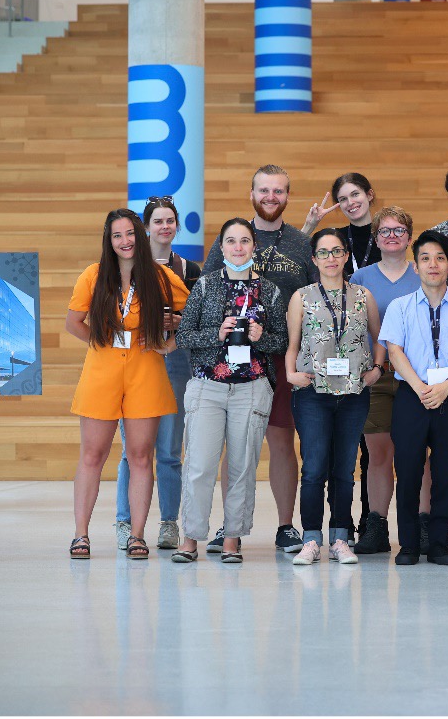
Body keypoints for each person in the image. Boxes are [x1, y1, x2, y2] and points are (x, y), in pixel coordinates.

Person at [203, 164, 314, 554]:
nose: (271, 197)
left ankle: (286, 526)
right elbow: (208, 297)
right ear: (252, 194)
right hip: (231, 363)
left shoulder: (301, 244)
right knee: (234, 448)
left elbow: (315, 302)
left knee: (283, 443)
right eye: (264, 190)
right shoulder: (228, 240)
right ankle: (228, 526)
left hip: (281, 361)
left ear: (288, 195)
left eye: (279, 191)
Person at [65, 209, 188, 560]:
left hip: (145, 370)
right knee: (92, 455)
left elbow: (195, 316)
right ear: (109, 240)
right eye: (117, 235)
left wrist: (172, 337)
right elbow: (73, 323)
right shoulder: (93, 275)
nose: (125, 241)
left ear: (141, 234)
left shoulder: (161, 277)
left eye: (130, 233)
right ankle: (81, 535)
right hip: (101, 372)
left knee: (139, 456)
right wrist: (99, 339)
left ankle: (136, 535)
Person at [171, 218, 287, 564]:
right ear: (221, 248)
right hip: (208, 387)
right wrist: (217, 333)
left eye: (245, 241)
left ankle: (233, 539)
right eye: (231, 241)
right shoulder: (205, 287)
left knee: (243, 467)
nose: (238, 247)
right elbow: (183, 337)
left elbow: (281, 341)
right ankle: (190, 537)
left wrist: (258, 337)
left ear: (254, 247)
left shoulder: (271, 291)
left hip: (252, 389)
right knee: (200, 465)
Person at [380, 230, 448, 565]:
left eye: (440, 258)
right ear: (416, 266)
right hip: (412, 396)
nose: (433, 264)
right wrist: (419, 387)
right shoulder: (400, 307)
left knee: (445, 473)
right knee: (408, 471)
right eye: (425, 258)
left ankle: (440, 542)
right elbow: (393, 351)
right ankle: (408, 543)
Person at [285, 228, 385, 564]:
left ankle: (340, 537)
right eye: (324, 252)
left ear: (345, 256)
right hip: (313, 392)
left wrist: (379, 368)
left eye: (337, 251)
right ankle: (311, 538)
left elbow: (379, 337)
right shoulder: (302, 296)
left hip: (354, 393)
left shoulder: (363, 295)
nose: (331, 258)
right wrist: (289, 374)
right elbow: (293, 343)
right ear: (314, 258)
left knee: (344, 469)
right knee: (314, 468)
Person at [112, 197, 203, 552]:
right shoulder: (127, 267)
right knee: (132, 450)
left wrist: (179, 323)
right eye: (158, 221)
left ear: (177, 226)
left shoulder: (190, 271)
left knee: (168, 449)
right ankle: (124, 521)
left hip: (176, 360)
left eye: (170, 221)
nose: (164, 226)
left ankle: (168, 522)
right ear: (145, 228)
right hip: (135, 360)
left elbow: (201, 321)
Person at [349, 205, 423, 554]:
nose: (392, 236)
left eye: (399, 230)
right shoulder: (361, 278)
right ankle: (377, 526)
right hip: (375, 375)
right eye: (385, 231)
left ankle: (423, 526)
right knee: (378, 454)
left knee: (418, 454)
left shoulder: (423, 273)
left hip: (416, 377)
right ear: (376, 238)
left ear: (409, 237)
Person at [300, 172, 382, 279]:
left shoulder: (386, 235)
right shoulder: (334, 238)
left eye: (355, 194)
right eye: (343, 199)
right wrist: (309, 225)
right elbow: (288, 259)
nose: (350, 202)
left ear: (369, 195)